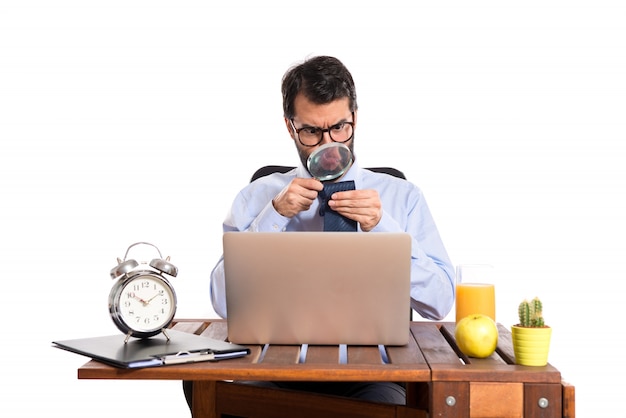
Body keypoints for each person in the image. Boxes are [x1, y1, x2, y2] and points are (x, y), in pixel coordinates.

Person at [184, 55, 455, 408]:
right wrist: (274, 216)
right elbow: (223, 303)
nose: (328, 144)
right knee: (207, 390)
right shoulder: (257, 198)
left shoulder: (402, 197)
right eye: (312, 131)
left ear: (354, 118)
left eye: (339, 128)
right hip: (273, 373)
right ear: (290, 127)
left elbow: (440, 302)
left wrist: (382, 227)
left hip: (373, 379)